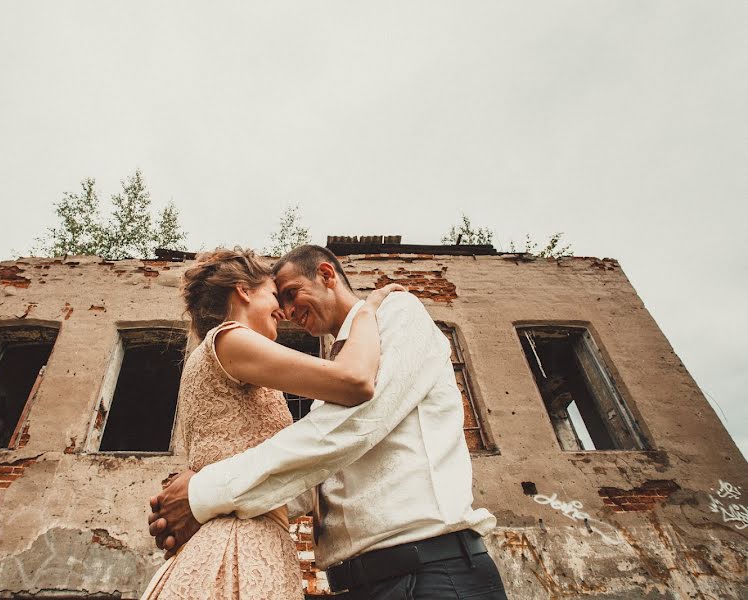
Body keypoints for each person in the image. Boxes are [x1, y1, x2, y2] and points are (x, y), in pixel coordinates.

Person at [150, 244, 509, 599]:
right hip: (355, 583)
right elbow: (305, 480)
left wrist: (203, 493)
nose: (287, 311)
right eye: (280, 298)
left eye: (290, 293)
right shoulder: (324, 392)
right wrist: (198, 505)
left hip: (429, 572)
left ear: (326, 275)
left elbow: (356, 424)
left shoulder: (395, 313)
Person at [140, 248, 403, 600]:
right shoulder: (230, 338)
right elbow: (354, 381)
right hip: (240, 547)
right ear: (243, 291)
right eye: (274, 296)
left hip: (255, 540)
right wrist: (367, 312)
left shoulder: (223, 359)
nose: (284, 310)